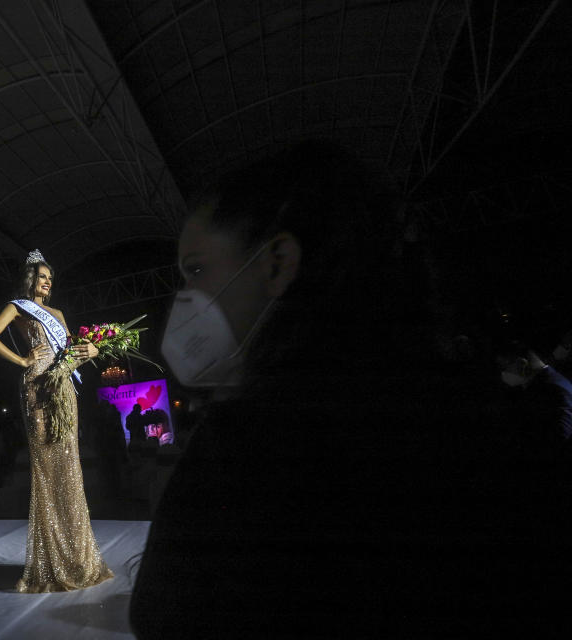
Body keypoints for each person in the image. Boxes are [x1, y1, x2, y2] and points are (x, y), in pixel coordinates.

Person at [130, 140, 568, 637]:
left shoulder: (252, 446)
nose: (187, 298)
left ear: (277, 263)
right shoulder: (487, 416)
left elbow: (166, 618)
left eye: (197, 269)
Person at [0, 249, 113, 592]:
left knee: (69, 467)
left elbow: (69, 355)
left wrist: (93, 351)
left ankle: (77, 558)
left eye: (50, 278)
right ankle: (47, 563)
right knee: (47, 468)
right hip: (38, 385)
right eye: (42, 276)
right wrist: (22, 361)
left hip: (63, 386)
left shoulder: (57, 313)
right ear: (30, 280)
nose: (47, 282)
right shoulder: (19, 306)